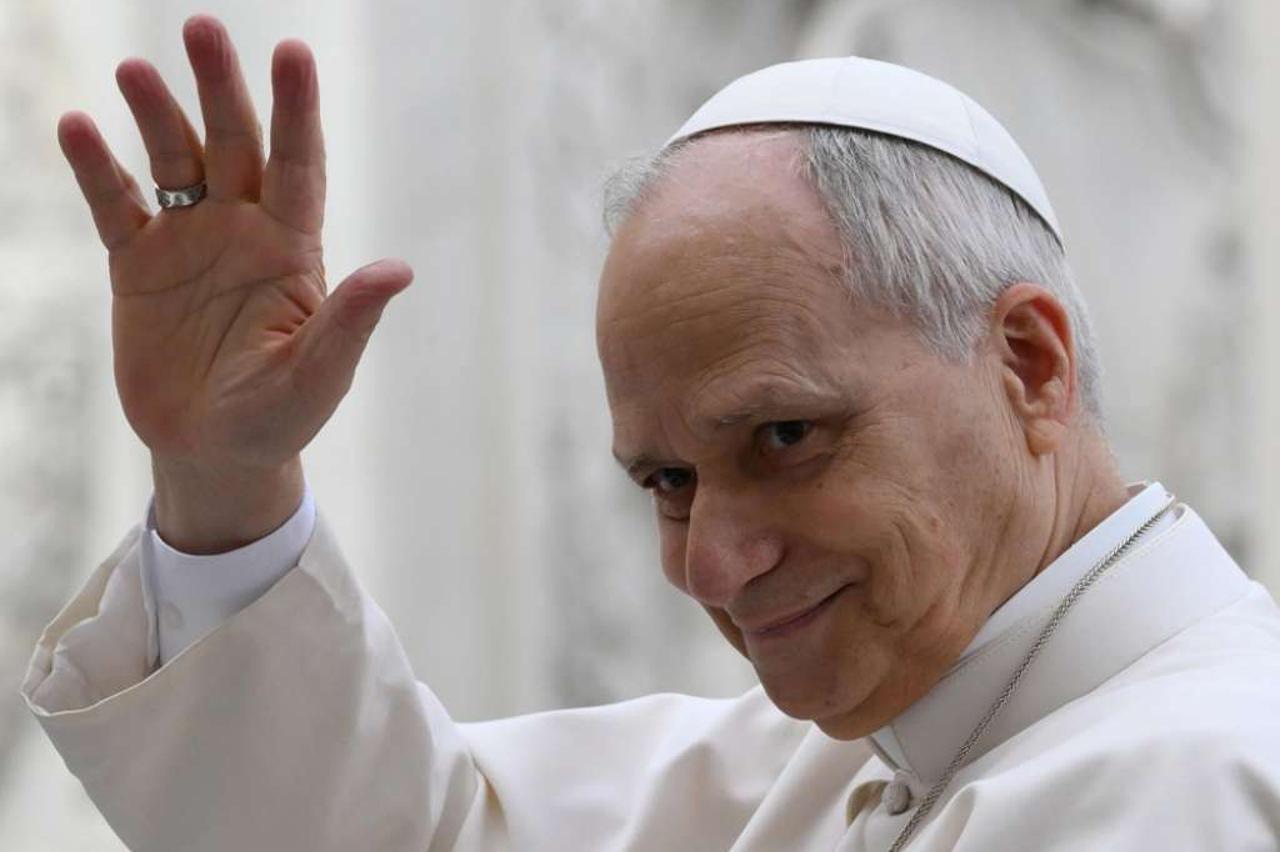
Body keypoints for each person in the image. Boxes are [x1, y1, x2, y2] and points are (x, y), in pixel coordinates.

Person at [20, 13, 1280, 852]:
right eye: (667, 481)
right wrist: (222, 479)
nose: (711, 564)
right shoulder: (847, 751)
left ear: (1026, 365)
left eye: (783, 439)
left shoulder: (1203, 786)